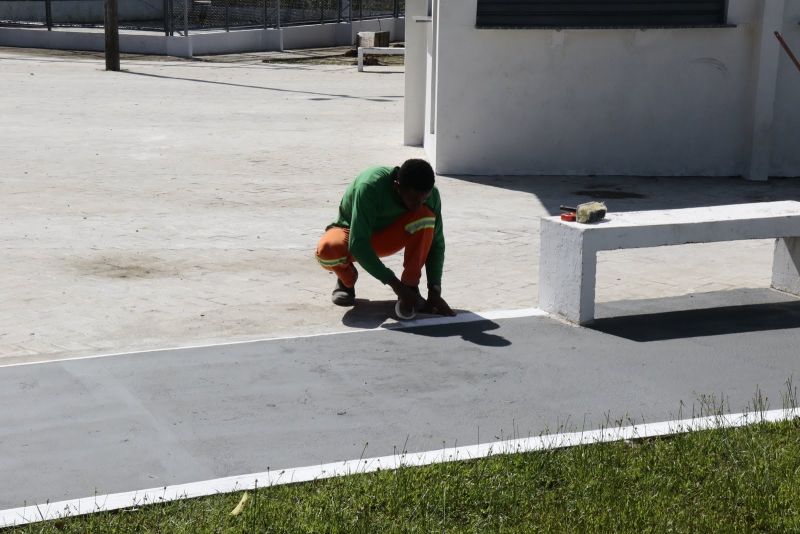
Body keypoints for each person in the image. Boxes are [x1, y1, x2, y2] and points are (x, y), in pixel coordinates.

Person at [316, 159, 455, 319]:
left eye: (423, 199)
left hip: (389, 239)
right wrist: (396, 286)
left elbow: (436, 244)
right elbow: (358, 243)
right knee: (327, 250)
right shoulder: (370, 187)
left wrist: (434, 290)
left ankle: (411, 288)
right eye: (413, 199)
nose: (418, 205)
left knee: (425, 217)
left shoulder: (431, 195)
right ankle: (347, 281)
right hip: (353, 235)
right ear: (397, 186)